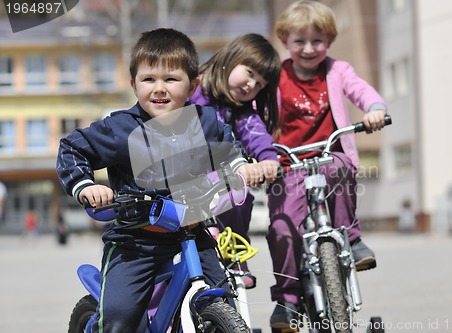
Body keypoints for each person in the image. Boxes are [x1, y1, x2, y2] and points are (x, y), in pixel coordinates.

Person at [56, 28, 262, 333]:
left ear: (192, 86)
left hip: (194, 233)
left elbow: (228, 148)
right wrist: (87, 186)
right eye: (149, 79)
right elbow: (72, 149)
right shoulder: (121, 129)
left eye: (171, 79)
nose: (159, 89)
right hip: (136, 241)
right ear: (133, 84)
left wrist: (241, 167)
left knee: (224, 301)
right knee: (119, 316)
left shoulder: (203, 121)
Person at [266, 1, 388, 328]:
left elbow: (361, 91)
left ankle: (352, 236)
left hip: (328, 154)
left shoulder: (337, 71)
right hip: (287, 164)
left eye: (317, 41)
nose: (308, 48)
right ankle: (287, 299)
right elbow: (255, 111)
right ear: (284, 41)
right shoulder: (275, 75)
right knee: (281, 229)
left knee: (340, 167)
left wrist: (374, 108)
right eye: (299, 41)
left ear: (330, 40)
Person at [189, 33, 281, 288]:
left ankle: (235, 251)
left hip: (220, 179)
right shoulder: (193, 91)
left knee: (241, 195)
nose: (252, 85)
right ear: (231, 59)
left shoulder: (241, 111)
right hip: (183, 176)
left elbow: (256, 134)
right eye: (250, 73)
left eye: (260, 84)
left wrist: (267, 159)